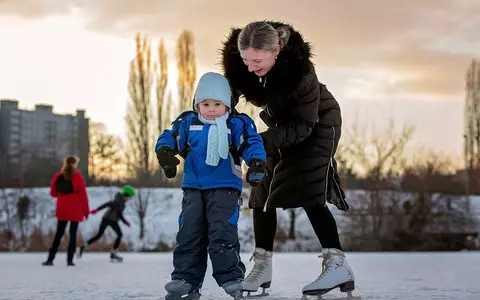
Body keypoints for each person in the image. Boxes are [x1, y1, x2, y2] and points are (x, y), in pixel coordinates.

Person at [220, 21, 354, 297]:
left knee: (307, 189)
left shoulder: (301, 74)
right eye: (245, 59)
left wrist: (255, 142)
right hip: (281, 127)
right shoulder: (241, 66)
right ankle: (262, 266)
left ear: (277, 51)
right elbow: (225, 102)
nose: (249, 67)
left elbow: (302, 128)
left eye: (257, 60)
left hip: (317, 125)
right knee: (261, 188)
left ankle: (338, 264)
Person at [155, 72, 267, 300]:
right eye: (205, 103)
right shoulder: (188, 121)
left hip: (225, 188)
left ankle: (233, 279)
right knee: (189, 234)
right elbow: (170, 136)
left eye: (217, 103)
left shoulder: (236, 123)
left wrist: (256, 163)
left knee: (222, 233)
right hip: (194, 188)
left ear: (227, 104)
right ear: (197, 104)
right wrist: (165, 154)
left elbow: (251, 142)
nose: (211, 109)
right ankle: (185, 280)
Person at [42, 155, 89, 266]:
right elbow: (83, 196)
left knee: (58, 234)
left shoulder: (58, 176)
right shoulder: (78, 177)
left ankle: (50, 259)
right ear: (75, 164)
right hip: (75, 210)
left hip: (62, 209)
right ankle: (69, 260)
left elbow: (53, 193)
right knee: (73, 235)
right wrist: (86, 211)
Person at [77, 185, 135, 262]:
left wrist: (125, 222)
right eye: (129, 197)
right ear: (125, 195)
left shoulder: (122, 202)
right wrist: (97, 210)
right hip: (109, 219)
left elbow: (119, 214)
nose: (129, 199)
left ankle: (82, 247)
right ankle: (113, 254)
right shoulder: (117, 201)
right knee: (118, 234)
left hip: (108, 219)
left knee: (99, 235)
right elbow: (107, 204)